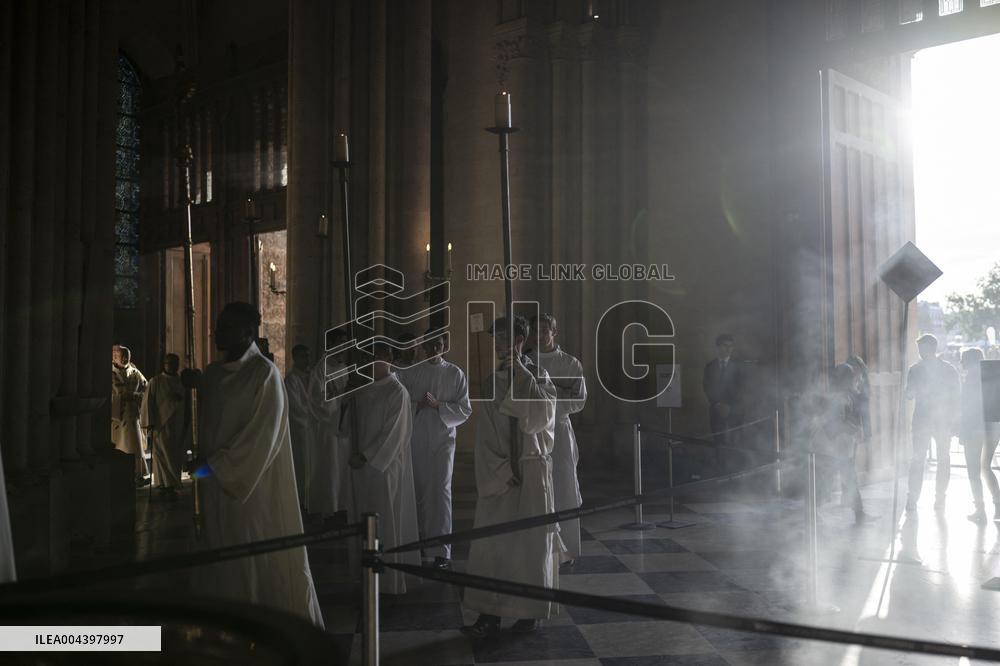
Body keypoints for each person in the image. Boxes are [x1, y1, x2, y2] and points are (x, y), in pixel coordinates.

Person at [188, 302, 324, 626]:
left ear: (248, 332)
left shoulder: (264, 374)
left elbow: (260, 440)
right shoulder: (212, 374)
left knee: (248, 562)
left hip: (249, 493)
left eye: (226, 325)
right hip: (213, 491)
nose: (217, 330)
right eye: (218, 323)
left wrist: (212, 467)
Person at [463, 315, 560, 638]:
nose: (503, 343)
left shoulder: (539, 376)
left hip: (531, 469)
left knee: (529, 546)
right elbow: (486, 433)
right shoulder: (491, 381)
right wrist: (502, 470)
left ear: (523, 340)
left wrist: (521, 372)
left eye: (510, 337)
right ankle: (489, 613)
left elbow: (541, 420)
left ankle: (528, 611)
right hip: (502, 475)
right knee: (494, 545)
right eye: (498, 338)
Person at [398, 332, 472, 570]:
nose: (432, 350)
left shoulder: (454, 373)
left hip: (443, 440)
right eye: (428, 346)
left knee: (440, 491)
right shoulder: (411, 372)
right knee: (418, 489)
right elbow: (397, 403)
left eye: (437, 345)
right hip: (417, 438)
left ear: (444, 346)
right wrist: (415, 405)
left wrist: (440, 406)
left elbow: (465, 409)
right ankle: (419, 541)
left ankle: (441, 549)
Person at [351, 342, 420, 593]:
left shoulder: (397, 391)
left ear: (388, 359)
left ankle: (389, 582)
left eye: (377, 358)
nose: (372, 363)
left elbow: (394, 433)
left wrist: (367, 455)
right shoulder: (362, 389)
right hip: (361, 465)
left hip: (383, 466)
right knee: (363, 520)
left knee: (385, 519)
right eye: (370, 357)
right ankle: (366, 576)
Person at [531, 313, 587, 563]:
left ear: (555, 332)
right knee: (537, 487)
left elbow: (578, 399)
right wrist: (557, 390)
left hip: (560, 431)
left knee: (564, 487)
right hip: (533, 432)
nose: (542, 334)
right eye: (538, 330)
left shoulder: (571, 363)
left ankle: (568, 550)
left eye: (546, 330)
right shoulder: (526, 361)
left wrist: (550, 393)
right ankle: (539, 548)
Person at [905, 334, 960, 513]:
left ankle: (920, 499)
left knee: (923, 459)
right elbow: (956, 397)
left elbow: (909, 395)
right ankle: (929, 498)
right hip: (933, 420)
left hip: (933, 419)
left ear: (929, 348)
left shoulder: (917, 369)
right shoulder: (947, 369)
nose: (919, 352)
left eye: (921, 348)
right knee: (935, 459)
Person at [818, 363, 877, 525]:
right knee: (826, 481)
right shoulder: (838, 398)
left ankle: (859, 513)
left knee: (849, 479)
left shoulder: (847, 395)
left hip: (840, 447)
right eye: (852, 377)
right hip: (832, 447)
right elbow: (834, 424)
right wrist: (854, 429)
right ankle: (812, 513)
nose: (855, 380)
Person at [307, 328, 353, 518]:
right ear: (331, 345)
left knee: (342, 470)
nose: (344, 349)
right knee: (329, 469)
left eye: (346, 345)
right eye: (340, 344)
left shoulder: (344, 368)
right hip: (328, 429)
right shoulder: (320, 370)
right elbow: (316, 401)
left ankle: (341, 508)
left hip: (343, 428)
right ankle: (327, 511)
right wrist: (339, 399)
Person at [140, 353, 186, 499]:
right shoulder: (156, 381)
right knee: (162, 456)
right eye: (169, 363)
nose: (172, 366)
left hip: (177, 425)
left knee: (174, 456)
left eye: (175, 363)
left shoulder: (182, 382)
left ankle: (172, 483)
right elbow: (148, 403)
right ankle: (164, 484)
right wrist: (149, 422)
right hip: (161, 424)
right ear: (164, 364)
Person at [959, 348, 996, 523]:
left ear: (969, 360)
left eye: (962, 359)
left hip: (974, 428)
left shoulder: (971, 379)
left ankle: (980, 510)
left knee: (973, 471)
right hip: (993, 427)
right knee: (986, 467)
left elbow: (967, 408)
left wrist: (961, 431)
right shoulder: (991, 375)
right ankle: (998, 505)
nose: (960, 363)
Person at [112, 345, 149, 486]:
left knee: (135, 444)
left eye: (122, 355)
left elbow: (146, 389)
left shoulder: (135, 372)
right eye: (115, 355)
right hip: (118, 415)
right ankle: (123, 473)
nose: (117, 357)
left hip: (133, 414)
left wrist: (135, 396)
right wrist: (123, 397)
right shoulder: (111, 373)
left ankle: (137, 473)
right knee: (121, 444)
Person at [702, 334, 746, 447]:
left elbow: (742, 388)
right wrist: (717, 404)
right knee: (718, 442)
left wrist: (729, 406)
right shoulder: (709, 367)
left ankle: (735, 464)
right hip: (716, 411)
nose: (728, 349)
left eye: (731, 346)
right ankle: (719, 463)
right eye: (725, 345)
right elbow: (707, 388)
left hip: (735, 411)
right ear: (717, 347)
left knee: (735, 444)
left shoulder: (739, 366)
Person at [284, 343, 313, 508]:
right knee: (301, 467)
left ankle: (311, 501)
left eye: (308, 355)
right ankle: (301, 503)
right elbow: (295, 407)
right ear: (295, 358)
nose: (307, 359)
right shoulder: (291, 379)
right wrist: (314, 416)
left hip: (313, 430)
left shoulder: (311, 376)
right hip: (301, 430)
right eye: (304, 356)